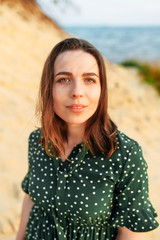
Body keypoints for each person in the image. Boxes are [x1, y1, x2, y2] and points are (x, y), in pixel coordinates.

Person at [16, 38, 159, 240]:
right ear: (49, 88)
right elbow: (30, 199)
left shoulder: (125, 154)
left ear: (101, 90)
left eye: (89, 79)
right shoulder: (38, 141)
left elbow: (129, 233)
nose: (77, 92)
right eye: (63, 79)